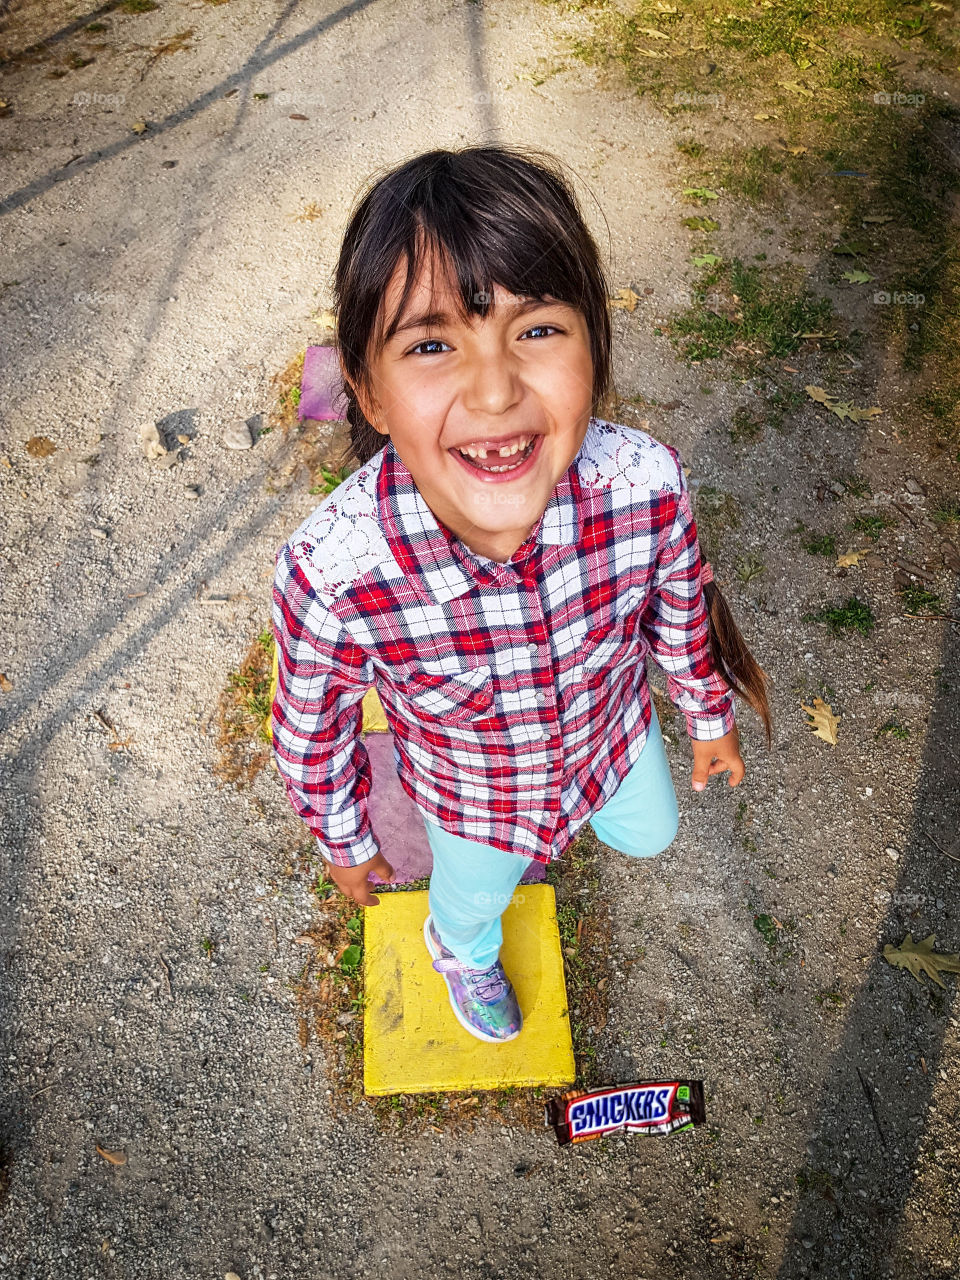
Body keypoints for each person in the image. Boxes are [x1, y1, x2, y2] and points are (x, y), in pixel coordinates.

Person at [271, 144, 772, 1046]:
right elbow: (311, 732)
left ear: (595, 348)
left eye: (537, 328)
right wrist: (344, 840)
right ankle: (457, 948)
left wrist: (706, 714)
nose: (497, 389)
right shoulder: (335, 574)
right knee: (476, 898)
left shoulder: (645, 485)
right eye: (430, 344)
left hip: (609, 741)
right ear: (368, 394)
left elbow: (679, 608)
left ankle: (556, 840)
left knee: (652, 835)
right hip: (476, 800)